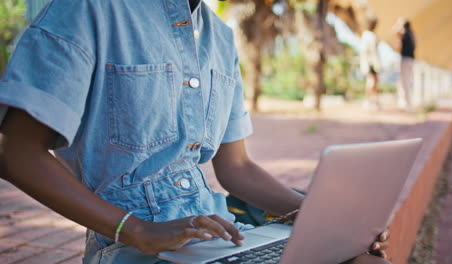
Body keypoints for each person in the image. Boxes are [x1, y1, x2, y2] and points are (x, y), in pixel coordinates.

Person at [0, 0, 389, 263]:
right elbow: (15, 152)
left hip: (221, 235)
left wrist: (319, 215)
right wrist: (136, 229)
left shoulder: (219, 37)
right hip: (129, 247)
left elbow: (235, 167)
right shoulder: (89, 9)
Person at [393, 17, 416, 112]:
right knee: (406, 81)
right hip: (410, 60)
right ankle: (406, 103)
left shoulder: (405, 33)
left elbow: (394, 31)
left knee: (404, 81)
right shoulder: (412, 34)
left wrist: (398, 23)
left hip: (405, 60)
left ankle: (407, 104)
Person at [360, 18, 382, 110]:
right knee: (372, 81)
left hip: (370, 62)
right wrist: (374, 63)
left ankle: (373, 100)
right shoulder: (369, 36)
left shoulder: (366, 35)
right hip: (371, 63)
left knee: (374, 81)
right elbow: (371, 51)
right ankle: (370, 100)